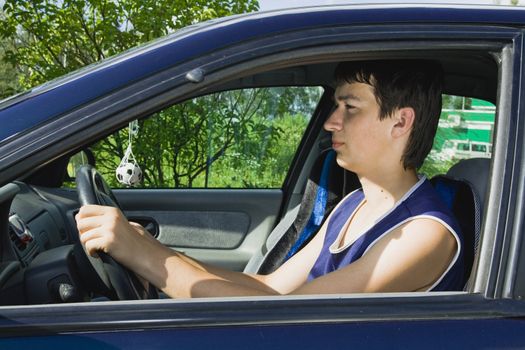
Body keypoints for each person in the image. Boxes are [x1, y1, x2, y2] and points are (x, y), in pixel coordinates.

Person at [75, 59, 464, 298]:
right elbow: (271, 288)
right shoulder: (353, 205)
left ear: (401, 121)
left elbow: (292, 315)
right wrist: (156, 251)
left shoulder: (423, 234)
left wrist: (144, 257)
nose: (332, 121)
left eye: (350, 107)